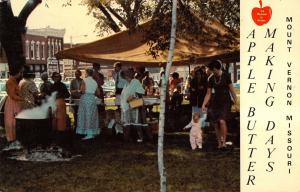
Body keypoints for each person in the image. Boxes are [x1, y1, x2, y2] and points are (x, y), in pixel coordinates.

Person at [201, 60, 237, 150]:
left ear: (218, 68)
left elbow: (232, 91)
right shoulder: (211, 79)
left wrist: (236, 103)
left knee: (222, 121)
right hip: (215, 102)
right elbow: (208, 93)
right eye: (211, 70)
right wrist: (203, 104)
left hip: (225, 102)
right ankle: (219, 143)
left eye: (213, 70)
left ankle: (224, 143)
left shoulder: (226, 76)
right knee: (216, 123)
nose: (212, 72)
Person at [120, 69, 149, 143]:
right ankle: (128, 138)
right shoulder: (126, 84)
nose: (125, 77)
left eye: (125, 75)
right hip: (126, 106)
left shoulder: (135, 81)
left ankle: (141, 138)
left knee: (137, 123)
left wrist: (132, 96)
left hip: (134, 105)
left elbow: (141, 92)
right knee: (128, 123)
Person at [76, 68, 101, 140]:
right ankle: (92, 132)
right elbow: (98, 93)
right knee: (92, 115)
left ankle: (88, 133)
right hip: (92, 99)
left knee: (86, 115)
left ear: (86, 73)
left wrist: (79, 91)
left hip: (86, 98)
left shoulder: (84, 80)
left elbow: (83, 91)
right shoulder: (94, 82)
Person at [3, 70, 24, 151]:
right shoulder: (10, 82)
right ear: (16, 73)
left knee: (15, 122)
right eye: (20, 72)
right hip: (12, 104)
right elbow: (12, 95)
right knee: (11, 122)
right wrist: (23, 99)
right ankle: (12, 141)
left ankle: (15, 141)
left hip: (15, 103)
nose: (21, 74)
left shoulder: (14, 81)